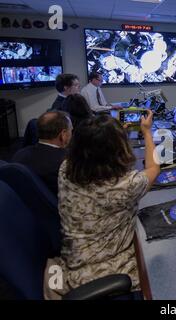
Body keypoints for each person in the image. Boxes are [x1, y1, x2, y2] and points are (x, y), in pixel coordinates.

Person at [45, 110, 160, 298]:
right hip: (102, 271)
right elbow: (153, 168)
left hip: (74, 258)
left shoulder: (65, 168)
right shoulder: (124, 185)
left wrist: (110, 138)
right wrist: (146, 131)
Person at [12, 111, 73, 196]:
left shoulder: (19, 155)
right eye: (71, 131)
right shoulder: (68, 162)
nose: (71, 134)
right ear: (63, 135)